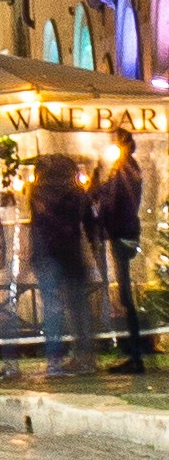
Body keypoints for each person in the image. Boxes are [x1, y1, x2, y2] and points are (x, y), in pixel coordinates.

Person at [26, 142, 98, 377]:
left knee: (53, 308)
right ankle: (85, 357)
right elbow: (89, 222)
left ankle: (54, 359)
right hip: (71, 254)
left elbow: (38, 225)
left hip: (47, 255)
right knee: (79, 308)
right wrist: (93, 248)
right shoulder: (77, 192)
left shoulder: (37, 192)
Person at [93, 132, 149, 371]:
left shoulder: (124, 169)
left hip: (121, 233)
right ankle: (134, 354)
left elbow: (112, 200)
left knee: (126, 295)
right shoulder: (129, 168)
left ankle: (135, 357)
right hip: (127, 232)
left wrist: (98, 188)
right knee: (125, 295)